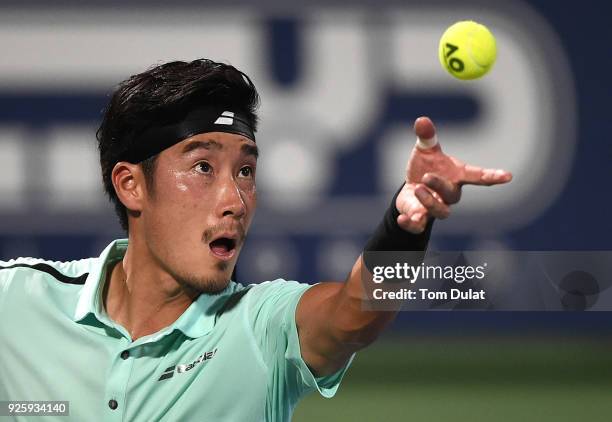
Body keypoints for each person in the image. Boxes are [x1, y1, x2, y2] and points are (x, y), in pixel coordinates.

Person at [0, 59, 512, 421]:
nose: (235, 199)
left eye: (245, 171)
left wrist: (404, 227)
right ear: (131, 185)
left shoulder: (261, 329)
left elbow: (353, 314)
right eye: (203, 167)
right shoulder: (17, 302)